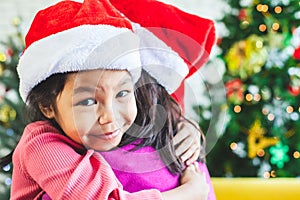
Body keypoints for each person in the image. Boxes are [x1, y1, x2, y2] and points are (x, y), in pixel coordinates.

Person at [6, 0, 216, 199]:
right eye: (88, 102)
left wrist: (185, 127)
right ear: (46, 106)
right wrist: (189, 194)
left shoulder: (151, 134)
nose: (109, 117)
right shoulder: (41, 146)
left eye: (122, 94)